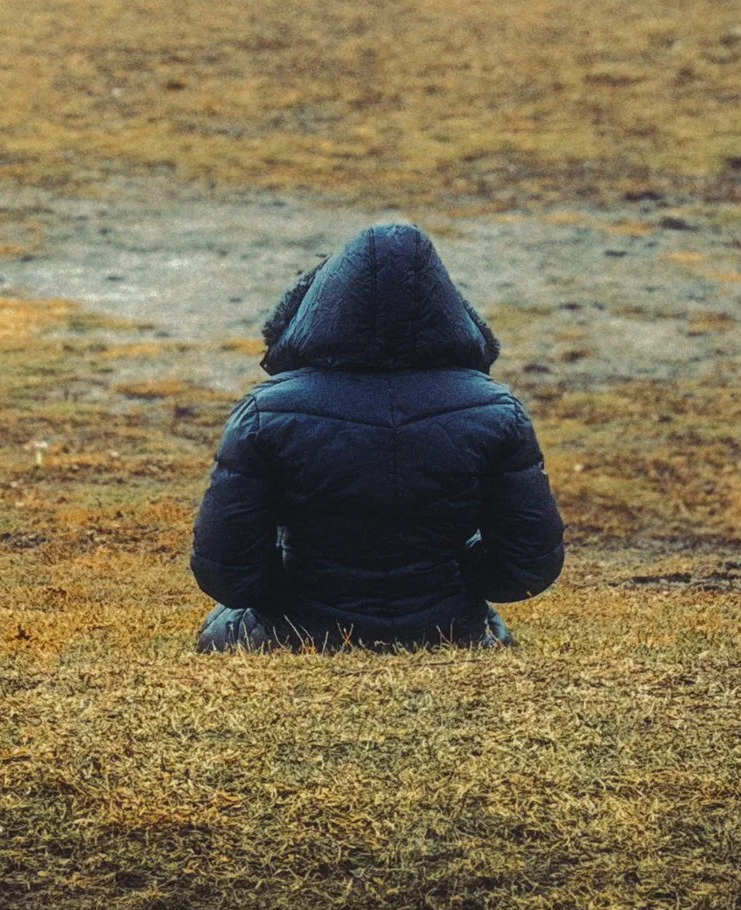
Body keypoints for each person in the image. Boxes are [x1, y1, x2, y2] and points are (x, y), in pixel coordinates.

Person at [190, 221, 565, 651]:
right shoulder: (496, 412)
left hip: (297, 632)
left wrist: (293, 589)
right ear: (449, 309)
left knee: (221, 624)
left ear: (316, 307)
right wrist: (452, 577)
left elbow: (228, 570)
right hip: (450, 631)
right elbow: (527, 564)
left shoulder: (267, 412)